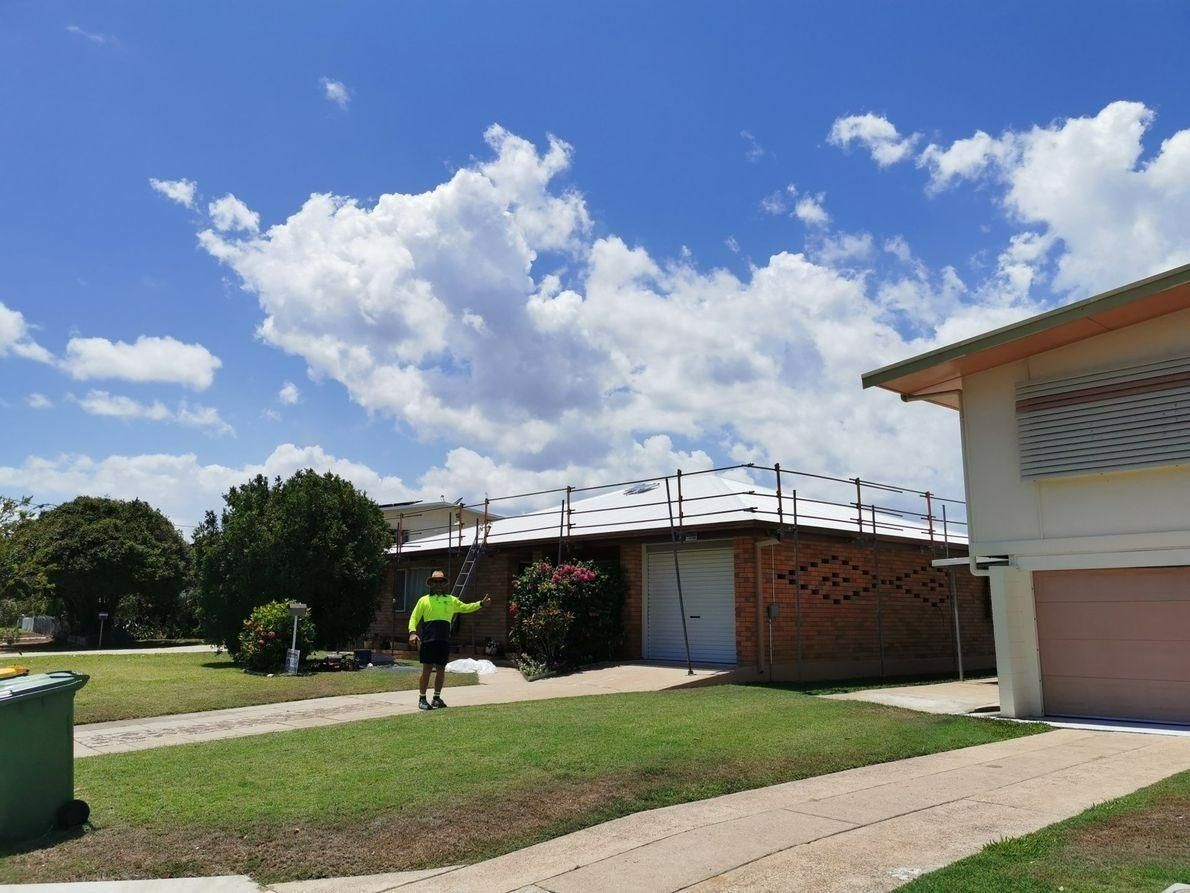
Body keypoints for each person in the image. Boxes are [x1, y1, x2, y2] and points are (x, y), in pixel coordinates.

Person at [408, 569, 490, 710]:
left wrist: (480, 604)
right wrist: (412, 632)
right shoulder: (424, 600)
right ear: (431, 584)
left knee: (441, 669)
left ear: (444, 584)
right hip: (428, 640)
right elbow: (414, 617)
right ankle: (422, 699)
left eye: (441, 581)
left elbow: (465, 607)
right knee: (426, 669)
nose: (438, 584)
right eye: (435, 581)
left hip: (443, 640)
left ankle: (436, 698)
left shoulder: (451, 600)